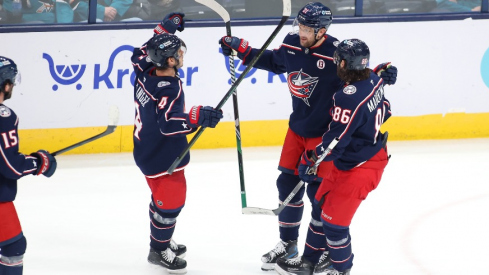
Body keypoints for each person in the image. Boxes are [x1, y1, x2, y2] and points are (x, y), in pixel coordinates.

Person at [218, 2, 397, 273]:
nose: (301, 32)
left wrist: (379, 75)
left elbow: (357, 83)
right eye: (300, 25)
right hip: (297, 128)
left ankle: (320, 253)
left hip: (324, 136)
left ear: (322, 30)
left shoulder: (336, 52)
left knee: (318, 195)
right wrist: (243, 51)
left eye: (308, 28)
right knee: (286, 184)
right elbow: (276, 62)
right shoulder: (292, 42)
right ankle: (288, 244)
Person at [287, 38, 391, 275]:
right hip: (355, 158)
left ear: (344, 62)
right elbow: (386, 109)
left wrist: (309, 159)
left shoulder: (347, 96)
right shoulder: (374, 80)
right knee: (320, 207)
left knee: (334, 224)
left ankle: (341, 269)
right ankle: (309, 261)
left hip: (363, 165)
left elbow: (335, 142)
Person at [130, 13, 223, 274]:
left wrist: (163, 29)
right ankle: (158, 250)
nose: (182, 56)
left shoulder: (143, 67)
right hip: (162, 156)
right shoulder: (169, 87)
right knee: (171, 204)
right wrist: (196, 117)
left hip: (145, 148)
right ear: (169, 60)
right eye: (179, 54)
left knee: (160, 202)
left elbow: (139, 52)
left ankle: (162, 237)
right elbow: (168, 123)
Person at [0, 56, 57, 275]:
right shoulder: (4, 116)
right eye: (11, 81)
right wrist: (39, 162)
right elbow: (11, 167)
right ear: (5, 84)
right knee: (13, 246)